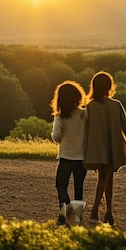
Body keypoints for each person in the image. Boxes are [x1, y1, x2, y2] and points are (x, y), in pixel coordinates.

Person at [84, 71, 126, 225]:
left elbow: (86, 130)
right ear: (109, 87)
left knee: (105, 178)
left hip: (97, 147)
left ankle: (107, 211)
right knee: (106, 178)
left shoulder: (90, 106)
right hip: (113, 146)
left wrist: (85, 149)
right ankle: (97, 209)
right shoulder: (116, 105)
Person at [50, 81, 88, 225]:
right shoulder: (85, 114)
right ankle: (76, 217)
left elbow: (56, 137)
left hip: (66, 157)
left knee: (61, 185)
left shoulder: (60, 116)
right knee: (79, 187)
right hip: (82, 158)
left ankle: (65, 211)